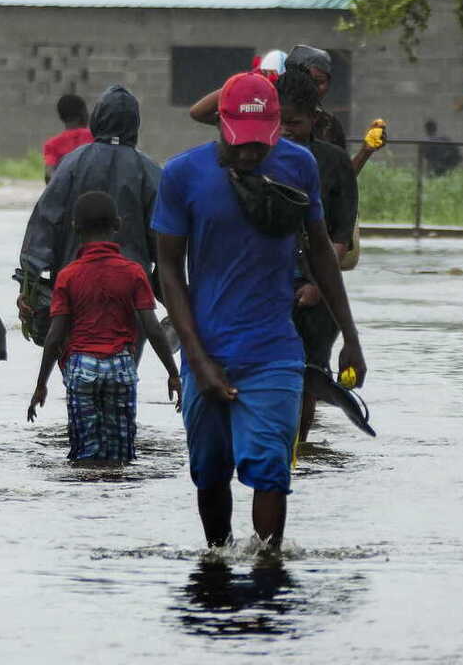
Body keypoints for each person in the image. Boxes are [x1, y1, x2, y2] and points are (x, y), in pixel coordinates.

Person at [153, 72, 367, 551]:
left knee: (271, 470)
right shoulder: (182, 175)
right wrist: (199, 359)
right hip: (206, 347)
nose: (251, 153)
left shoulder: (298, 166)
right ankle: (217, 561)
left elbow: (320, 253)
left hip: (273, 350)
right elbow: (168, 270)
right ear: (220, 125)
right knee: (209, 472)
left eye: (261, 143)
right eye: (240, 144)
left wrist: (350, 334)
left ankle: (269, 571)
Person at [26, 191, 181, 462]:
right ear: (118, 225)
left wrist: (41, 384)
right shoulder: (133, 272)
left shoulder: (68, 276)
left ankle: (89, 498)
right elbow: (153, 329)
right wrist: (173, 373)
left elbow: (55, 335)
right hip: (121, 366)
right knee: (122, 454)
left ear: (75, 227)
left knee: (84, 454)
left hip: (81, 367)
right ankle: (116, 499)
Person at [19, 85, 161, 346]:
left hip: (75, 284)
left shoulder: (71, 164)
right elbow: (164, 237)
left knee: (75, 365)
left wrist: (28, 283)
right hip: (130, 291)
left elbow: (44, 220)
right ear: (135, 124)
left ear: (97, 118)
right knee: (126, 369)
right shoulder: (149, 170)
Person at [276, 65, 359, 443]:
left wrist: (317, 285)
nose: (286, 130)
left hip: (316, 289)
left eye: (294, 122)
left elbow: (340, 234)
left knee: (309, 375)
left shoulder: (334, 162)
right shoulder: (258, 156)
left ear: (314, 119)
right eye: (278, 121)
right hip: (268, 287)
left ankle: (298, 447)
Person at [189, 45, 387, 175]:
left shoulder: (327, 125)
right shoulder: (259, 113)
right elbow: (199, 112)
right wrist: (248, 81)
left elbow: (341, 179)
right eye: (279, 123)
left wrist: (365, 152)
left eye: (320, 82)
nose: (284, 130)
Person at [42, 94, 95, 183]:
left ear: (61, 117)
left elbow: (48, 174)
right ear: (83, 114)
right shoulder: (96, 137)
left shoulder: (52, 145)